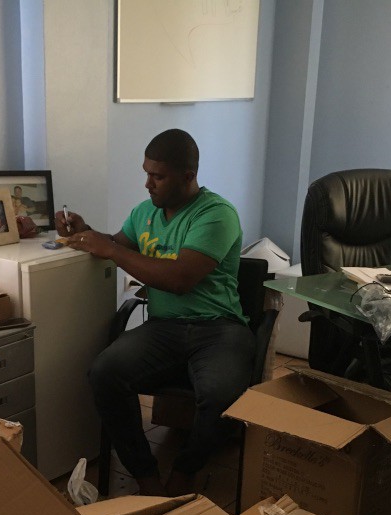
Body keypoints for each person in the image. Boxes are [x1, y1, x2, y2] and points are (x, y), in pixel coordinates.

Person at [58, 128, 254, 496]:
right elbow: (116, 245)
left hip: (219, 329)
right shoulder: (144, 212)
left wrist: (112, 251)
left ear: (188, 176)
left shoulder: (217, 214)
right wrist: (86, 233)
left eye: (157, 176)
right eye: (146, 172)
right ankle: (146, 479)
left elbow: (180, 279)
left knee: (219, 395)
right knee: (104, 373)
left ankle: (183, 475)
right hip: (165, 328)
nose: (148, 183)